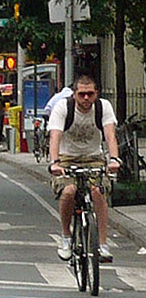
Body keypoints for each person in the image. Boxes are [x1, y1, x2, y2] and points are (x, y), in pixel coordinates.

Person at [48, 74, 120, 262]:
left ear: (96, 93)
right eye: (82, 94)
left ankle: (103, 244)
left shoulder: (103, 107)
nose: (86, 98)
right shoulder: (63, 108)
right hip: (66, 159)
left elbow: (110, 136)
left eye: (90, 94)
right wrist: (55, 163)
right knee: (69, 191)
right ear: (74, 95)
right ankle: (65, 236)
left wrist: (114, 159)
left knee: (98, 192)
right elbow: (55, 136)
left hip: (94, 158)